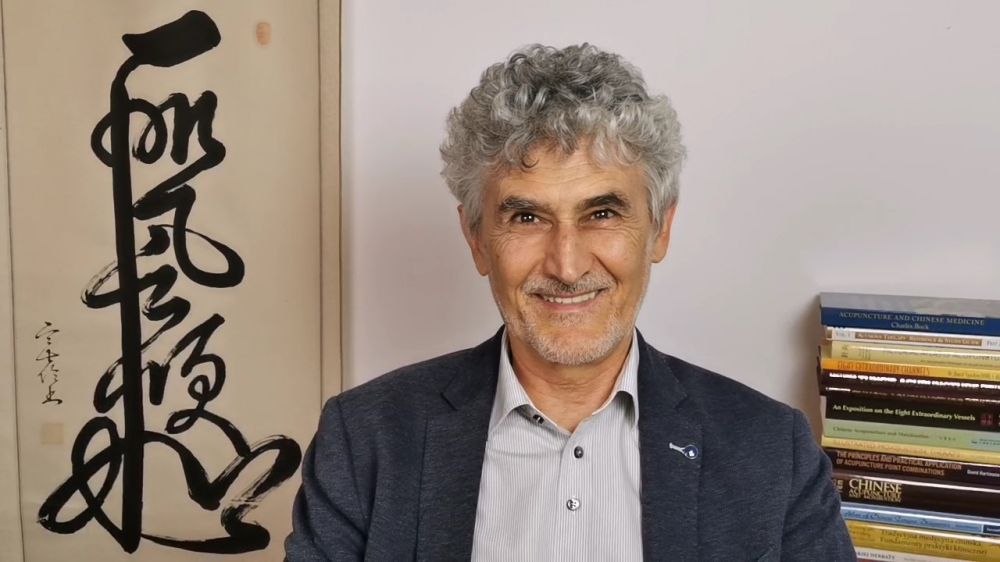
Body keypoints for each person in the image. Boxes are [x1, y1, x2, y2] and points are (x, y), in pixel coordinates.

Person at [285, 44, 855, 561]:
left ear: (660, 230)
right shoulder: (364, 440)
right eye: (526, 217)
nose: (567, 265)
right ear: (477, 239)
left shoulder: (773, 450)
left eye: (602, 213)